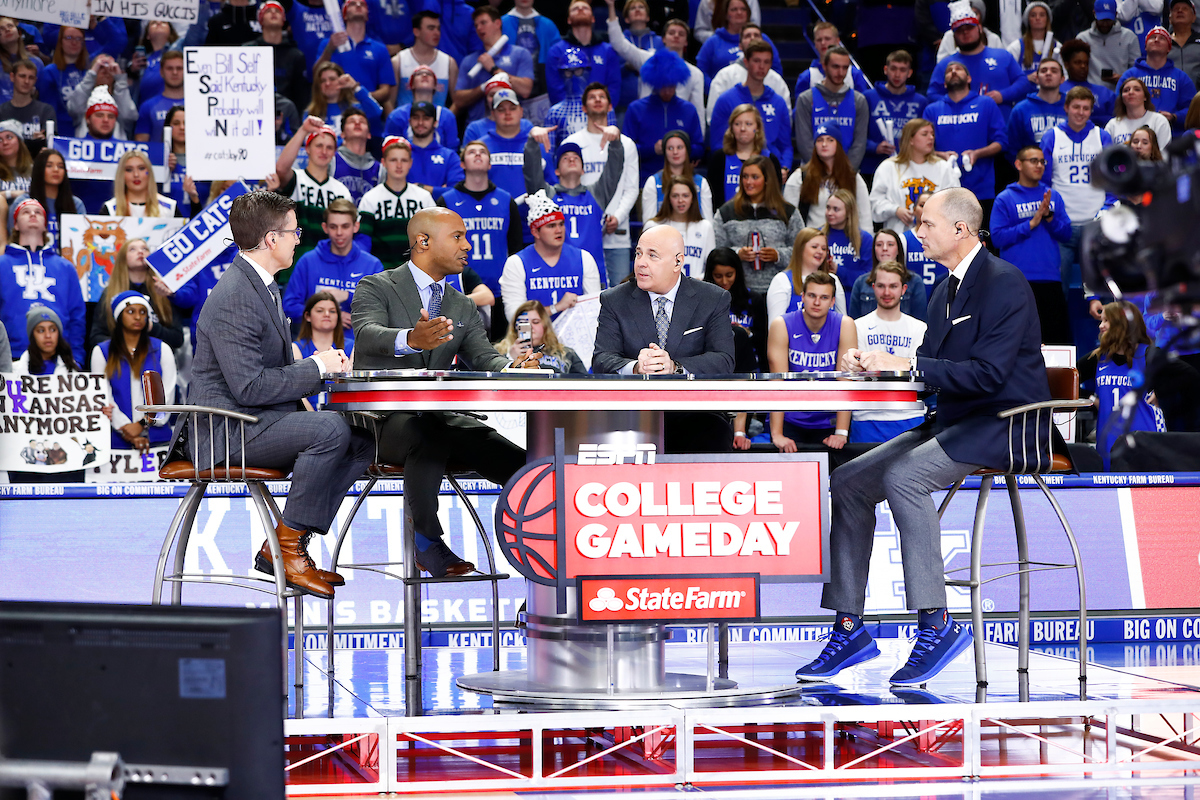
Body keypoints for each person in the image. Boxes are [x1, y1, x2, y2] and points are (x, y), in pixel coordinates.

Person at [795, 187, 1051, 687]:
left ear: (961, 229)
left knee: (905, 478)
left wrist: (907, 362)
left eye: (927, 224)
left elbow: (989, 375)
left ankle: (937, 623)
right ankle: (850, 627)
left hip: (1009, 422)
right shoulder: (943, 290)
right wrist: (873, 368)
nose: (919, 233)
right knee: (847, 481)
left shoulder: (1005, 282)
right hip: (958, 420)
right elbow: (932, 374)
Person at [179, 189, 371, 598]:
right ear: (271, 240)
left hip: (253, 419)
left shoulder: (260, 285)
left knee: (362, 435)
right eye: (293, 231)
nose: (298, 238)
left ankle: (284, 543)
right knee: (330, 430)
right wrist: (318, 366)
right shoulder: (235, 296)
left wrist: (317, 370)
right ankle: (287, 549)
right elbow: (249, 387)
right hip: (225, 431)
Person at [351, 206, 542, 577]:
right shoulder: (376, 286)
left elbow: (486, 359)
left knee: (514, 460)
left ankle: (542, 544)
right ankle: (427, 542)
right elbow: (367, 335)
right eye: (457, 236)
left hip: (439, 419)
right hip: (382, 422)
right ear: (423, 241)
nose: (467, 245)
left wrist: (512, 369)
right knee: (430, 432)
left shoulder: (462, 304)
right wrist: (410, 339)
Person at [591, 223, 736, 451]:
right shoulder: (614, 300)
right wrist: (636, 368)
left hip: (696, 415)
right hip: (633, 416)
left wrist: (675, 367)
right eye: (638, 253)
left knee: (711, 432)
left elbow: (724, 360)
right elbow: (601, 359)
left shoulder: (713, 299)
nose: (641, 262)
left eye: (652, 255)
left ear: (678, 262)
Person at [990, 144, 1076, 345]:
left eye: (1042, 161)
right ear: (1018, 164)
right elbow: (997, 238)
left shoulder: (1052, 196)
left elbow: (1066, 234)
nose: (1039, 165)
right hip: (1018, 280)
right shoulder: (1005, 198)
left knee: (1056, 341)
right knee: (1020, 340)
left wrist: (1048, 217)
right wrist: (1031, 224)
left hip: (1050, 278)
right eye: (1033, 161)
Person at [437, 139, 523, 332]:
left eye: (483, 152)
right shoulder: (446, 201)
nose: (477, 154)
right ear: (462, 164)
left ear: (489, 164)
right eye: (471, 152)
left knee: (501, 353)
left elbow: (516, 248)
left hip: (502, 291)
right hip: (463, 290)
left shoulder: (506, 200)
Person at [1040, 86, 1116, 299]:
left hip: (1096, 224)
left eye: (1086, 108)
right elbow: (1044, 182)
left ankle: (1108, 332)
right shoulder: (1051, 137)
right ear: (1066, 107)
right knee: (1058, 289)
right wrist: (1054, 214)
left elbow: (1112, 179)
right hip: (1064, 225)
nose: (1081, 112)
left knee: (1103, 288)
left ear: (1091, 110)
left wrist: (1107, 207)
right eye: (1076, 107)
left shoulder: (1102, 137)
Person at [766, 270, 855, 451]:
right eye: (812, 295)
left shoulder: (845, 325)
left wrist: (841, 432)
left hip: (827, 420)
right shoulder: (781, 325)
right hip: (790, 418)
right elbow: (777, 382)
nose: (816, 302)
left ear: (832, 302)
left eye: (823, 297)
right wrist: (777, 434)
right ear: (802, 297)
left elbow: (845, 381)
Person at [564, 82, 640, 288]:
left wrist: (618, 216)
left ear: (609, 106)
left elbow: (631, 188)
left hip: (617, 230)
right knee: (582, 292)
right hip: (581, 232)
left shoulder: (627, 144)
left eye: (602, 97)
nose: (597, 99)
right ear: (583, 107)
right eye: (592, 97)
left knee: (621, 292)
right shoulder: (572, 143)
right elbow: (567, 188)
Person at [848, 261, 929, 443]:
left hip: (909, 416)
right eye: (882, 286)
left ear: (904, 289)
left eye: (893, 286)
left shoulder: (919, 328)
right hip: (867, 417)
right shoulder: (858, 326)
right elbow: (859, 374)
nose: (887, 292)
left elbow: (917, 375)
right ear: (873, 287)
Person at [1079, 300, 1165, 467]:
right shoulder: (1098, 358)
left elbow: (1187, 378)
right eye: (1101, 321)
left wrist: (1161, 391)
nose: (1100, 326)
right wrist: (1092, 398)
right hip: (1108, 440)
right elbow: (1067, 382)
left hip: (1145, 438)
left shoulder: (1147, 353)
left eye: (1106, 321)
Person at [0, 198, 85, 363]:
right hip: (11, 357)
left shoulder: (65, 267)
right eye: (26, 212)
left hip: (59, 359)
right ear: (15, 225)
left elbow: (77, 317)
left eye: (38, 212)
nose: (33, 214)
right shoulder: (2, 264)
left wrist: (77, 359)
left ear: (45, 225)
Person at [91, 290, 176, 454]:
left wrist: (141, 424)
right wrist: (125, 428)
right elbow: (102, 396)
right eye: (131, 312)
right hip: (114, 440)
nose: (138, 317)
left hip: (158, 440)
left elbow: (166, 397)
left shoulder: (162, 349)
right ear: (119, 316)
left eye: (143, 312)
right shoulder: (101, 352)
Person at [282, 198, 384, 334]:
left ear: (356, 226)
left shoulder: (372, 265)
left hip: (357, 347)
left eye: (345, 226)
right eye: (333, 226)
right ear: (325, 227)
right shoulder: (308, 261)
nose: (339, 233)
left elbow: (380, 308)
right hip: (315, 347)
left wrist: (348, 296)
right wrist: (329, 316)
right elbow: (289, 307)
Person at [499, 190, 603, 321]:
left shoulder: (584, 258)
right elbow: (515, 317)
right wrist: (556, 307)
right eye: (551, 226)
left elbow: (594, 311)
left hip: (574, 339)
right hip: (533, 339)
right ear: (535, 232)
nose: (558, 230)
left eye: (561, 224)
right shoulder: (516, 263)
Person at [523, 138, 626, 270]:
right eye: (565, 158)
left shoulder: (596, 194)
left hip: (592, 272)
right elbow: (532, 175)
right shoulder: (547, 196)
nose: (571, 160)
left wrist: (616, 143)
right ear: (557, 171)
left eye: (576, 158)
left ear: (583, 170)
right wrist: (532, 143)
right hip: (557, 272)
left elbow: (614, 171)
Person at [923, 61, 1006, 220]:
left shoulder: (986, 103)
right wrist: (941, 155)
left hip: (981, 188)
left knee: (981, 239)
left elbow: (1001, 142)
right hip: (943, 190)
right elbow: (921, 147)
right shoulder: (932, 109)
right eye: (949, 71)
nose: (953, 72)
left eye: (958, 69)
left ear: (968, 78)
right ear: (944, 83)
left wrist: (977, 153)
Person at [604, 3, 706, 129]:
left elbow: (699, 112)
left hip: (678, 128)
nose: (676, 36)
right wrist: (611, 7)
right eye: (672, 33)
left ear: (686, 41)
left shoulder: (696, 73)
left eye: (681, 34)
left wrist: (699, 144)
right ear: (663, 39)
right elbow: (619, 44)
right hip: (648, 123)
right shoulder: (649, 60)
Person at [275, 116, 355, 277]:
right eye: (319, 145)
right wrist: (304, 130)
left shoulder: (341, 190)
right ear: (308, 149)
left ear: (334, 152)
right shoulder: (296, 178)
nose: (324, 151)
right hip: (291, 266)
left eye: (329, 147)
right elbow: (281, 169)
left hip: (328, 269)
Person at [714, 154, 804, 295]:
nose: (748, 182)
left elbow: (801, 251)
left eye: (755, 177)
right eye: (745, 176)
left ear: (767, 180)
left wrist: (778, 255)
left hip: (779, 290)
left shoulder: (788, 212)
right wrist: (737, 254)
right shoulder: (726, 212)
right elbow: (716, 252)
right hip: (737, 292)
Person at [929, 0, 1028, 121]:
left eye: (969, 27)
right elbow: (932, 93)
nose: (965, 33)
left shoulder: (1003, 56)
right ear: (953, 35)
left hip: (1001, 124)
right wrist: (955, 100)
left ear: (979, 28)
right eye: (960, 30)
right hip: (962, 125)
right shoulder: (947, 65)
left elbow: (1023, 82)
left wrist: (1003, 95)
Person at [89, 237, 184, 354]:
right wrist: (124, 344)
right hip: (120, 360)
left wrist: (151, 327)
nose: (141, 252)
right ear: (122, 259)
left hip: (156, 359)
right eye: (132, 249)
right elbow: (95, 337)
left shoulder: (163, 291)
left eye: (145, 249)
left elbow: (177, 339)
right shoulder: (110, 294)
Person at [625, 50, 705, 186]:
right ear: (654, 83)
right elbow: (626, 150)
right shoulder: (636, 109)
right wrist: (652, 149)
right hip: (644, 181)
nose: (667, 91)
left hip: (682, 183)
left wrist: (680, 149)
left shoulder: (688, 109)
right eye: (663, 86)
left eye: (671, 85)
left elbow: (699, 148)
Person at [710, 41, 793, 171]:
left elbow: (786, 145)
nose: (761, 66)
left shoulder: (778, 102)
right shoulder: (726, 100)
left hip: (769, 168)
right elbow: (717, 144)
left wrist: (784, 167)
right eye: (757, 61)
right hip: (734, 169)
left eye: (766, 62)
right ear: (746, 62)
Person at [870, 118, 961, 234]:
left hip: (935, 236)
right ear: (910, 139)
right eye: (924, 134)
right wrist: (895, 210)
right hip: (898, 237)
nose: (931, 138)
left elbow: (955, 202)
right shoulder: (889, 167)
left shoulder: (943, 168)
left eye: (932, 134)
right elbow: (875, 203)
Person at [357, 134, 436, 265]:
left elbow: (434, 238)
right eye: (393, 160)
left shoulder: (424, 198)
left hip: (417, 272)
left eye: (404, 160)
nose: (399, 165)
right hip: (381, 273)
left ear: (410, 163)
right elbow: (363, 242)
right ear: (384, 162)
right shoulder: (370, 198)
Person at [794, 46, 870, 172]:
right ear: (824, 66)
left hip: (847, 173)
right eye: (835, 67)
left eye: (845, 67)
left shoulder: (859, 101)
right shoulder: (806, 99)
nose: (840, 72)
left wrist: (845, 171)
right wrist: (822, 170)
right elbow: (804, 142)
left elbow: (860, 143)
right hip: (813, 172)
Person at [705, 22, 791, 133]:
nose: (752, 38)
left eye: (756, 35)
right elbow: (713, 117)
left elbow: (786, 121)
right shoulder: (724, 76)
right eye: (747, 36)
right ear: (740, 46)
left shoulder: (776, 80)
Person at [785, 122, 871, 229]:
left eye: (830, 140)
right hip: (812, 239)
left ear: (838, 145)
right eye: (820, 140)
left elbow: (865, 216)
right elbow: (789, 216)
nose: (824, 144)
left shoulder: (853, 178)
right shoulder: (800, 176)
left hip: (845, 241)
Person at [456, 6, 534, 123]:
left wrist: (494, 69)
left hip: (512, 125)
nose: (479, 28)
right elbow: (458, 100)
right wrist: (484, 87)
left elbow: (525, 90)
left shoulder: (520, 54)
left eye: (483, 23)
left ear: (497, 23)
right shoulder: (469, 60)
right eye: (476, 25)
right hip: (477, 128)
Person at [314, 0, 395, 110]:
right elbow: (316, 74)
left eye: (362, 4)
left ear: (367, 15)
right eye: (352, 4)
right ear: (345, 15)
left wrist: (361, 97)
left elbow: (385, 91)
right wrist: (330, 48)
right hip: (334, 109)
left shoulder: (380, 49)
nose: (358, 5)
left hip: (367, 111)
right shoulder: (328, 44)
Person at [862, 50, 929, 180]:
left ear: (909, 73)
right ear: (886, 70)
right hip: (872, 167)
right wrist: (874, 147)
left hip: (909, 169)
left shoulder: (921, 102)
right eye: (893, 69)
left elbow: (926, 136)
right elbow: (856, 134)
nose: (897, 74)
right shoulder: (868, 97)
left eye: (903, 70)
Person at [1117, 25, 1197, 127]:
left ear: (1169, 48)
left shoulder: (1181, 77)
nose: (1156, 40)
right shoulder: (1130, 75)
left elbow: (1192, 110)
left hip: (1172, 135)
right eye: (1152, 37)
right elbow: (1118, 105)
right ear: (1145, 46)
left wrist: (1175, 117)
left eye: (1162, 38)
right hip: (1135, 132)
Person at [545, 1, 621, 107]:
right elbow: (554, 88)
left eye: (585, 8)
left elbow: (614, 86)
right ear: (569, 20)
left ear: (593, 19)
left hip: (601, 113)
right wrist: (572, 112)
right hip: (568, 114)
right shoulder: (556, 51)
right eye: (575, 9)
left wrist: (602, 109)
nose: (580, 9)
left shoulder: (608, 50)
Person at [695, 0, 783, 89]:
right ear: (726, 14)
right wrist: (715, 89)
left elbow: (776, 68)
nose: (739, 12)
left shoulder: (762, 38)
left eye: (743, 9)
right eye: (734, 9)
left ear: (748, 13)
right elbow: (701, 71)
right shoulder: (713, 41)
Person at [707, 104, 781, 208]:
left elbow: (775, 198)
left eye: (748, 124)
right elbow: (714, 200)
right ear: (732, 128)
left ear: (758, 128)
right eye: (737, 124)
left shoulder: (770, 160)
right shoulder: (719, 159)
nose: (742, 128)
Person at [9, 149, 84, 251]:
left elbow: (81, 241)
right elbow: (14, 238)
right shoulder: (23, 203)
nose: (56, 169)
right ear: (39, 169)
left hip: (65, 263)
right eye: (49, 166)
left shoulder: (76, 204)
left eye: (60, 166)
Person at [847, 229, 929, 321]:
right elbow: (854, 323)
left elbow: (920, 322)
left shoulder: (914, 281)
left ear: (898, 249)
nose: (884, 248)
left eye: (890, 244)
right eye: (879, 245)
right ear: (874, 250)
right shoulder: (861, 283)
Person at [706, 246, 767, 371]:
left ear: (737, 272)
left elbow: (764, 338)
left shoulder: (754, 299)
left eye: (729, 275)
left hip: (749, 366)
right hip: (714, 367)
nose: (724, 281)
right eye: (718, 276)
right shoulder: (702, 300)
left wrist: (747, 333)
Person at [765, 226, 844, 320]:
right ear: (800, 248)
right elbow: (775, 327)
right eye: (814, 247)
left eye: (824, 249)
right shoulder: (782, 280)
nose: (820, 252)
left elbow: (843, 321)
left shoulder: (833, 279)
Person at [244, 1, 309, 114]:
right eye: (268, 11)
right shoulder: (248, 50)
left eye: (277, 11)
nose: (273, 13)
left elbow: (300, 95)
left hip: (286, 115)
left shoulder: (295, 55)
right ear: (261, 20)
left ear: (283, 20)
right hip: (253, 111)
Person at [502, 0, 562, 122]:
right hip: (508, 91)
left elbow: (558, 60)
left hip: (542, 92)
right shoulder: (502, 23)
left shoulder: (548, 25)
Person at [645, 177, 715, 279]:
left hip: (697, 288)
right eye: (675, 196)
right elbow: (646, 263)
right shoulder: (653, 226)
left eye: (685, 196)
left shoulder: (705, 226)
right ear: (668, 198)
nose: (680, 200)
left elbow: (712, 265)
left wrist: (699, 281)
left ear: (693, 198)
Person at [293, 291, 351, 410]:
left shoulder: (352, 346)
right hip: (306, 417)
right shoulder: (295, 348)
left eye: (332, 311)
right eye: (320, 311)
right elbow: (295, 390)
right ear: (307, 316)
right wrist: (311, 416)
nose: (326, 314)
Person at [496, 299, 587, 373]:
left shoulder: (566, 353)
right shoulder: (498, 352)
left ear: (545, 325)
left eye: (535, 322)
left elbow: (585, 383)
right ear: (515, 326)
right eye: (524, 323)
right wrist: (510, 358)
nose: (531, 327)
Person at [642, 130, 713, 224]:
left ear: (687, 150)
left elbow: (708, 222)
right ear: (664, 152)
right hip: (663, 236)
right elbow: (648, 223)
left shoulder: (701, 183)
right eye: (670, 148)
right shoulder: (653, 182)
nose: (675, 152)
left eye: (680, 147)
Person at [392, 11, 458, 110]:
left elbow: (457, 102)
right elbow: (389, 101)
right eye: (431, 28)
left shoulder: (449, 63)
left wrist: (444, 120)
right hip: (405, 122)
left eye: (438, 29)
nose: (437, 33)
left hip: (437, 122)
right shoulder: (398, 61)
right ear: (416, 32)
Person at [386, 65, 461, 150]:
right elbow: (389, 148)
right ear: (411, 85)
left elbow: (452, 148)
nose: (424, 75)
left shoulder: (447, 116)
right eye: (419, 74)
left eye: (429, 74)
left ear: (435, 86)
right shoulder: (397, 115)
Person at [1006, 57, 1069, 156]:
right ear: (1037, 78)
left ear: (1062, 79)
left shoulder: (1071, 108)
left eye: (1054, 71)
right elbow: (1012, 148)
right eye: (1044, 71)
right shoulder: (1021, 109)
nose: (1048, 73)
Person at [792, 21, 871, 97]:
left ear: (837, 41)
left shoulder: (854, 74)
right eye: (819, 40)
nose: (823, 43)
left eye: (827, 39)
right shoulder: (807, 77)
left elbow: (862, 106)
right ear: (815, 44)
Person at [307, 61, 385, 137]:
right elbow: (306, 139)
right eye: (323, 81)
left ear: (341, 81)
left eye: (332, 79)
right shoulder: (312, 112)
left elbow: (376, 112)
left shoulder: (355, 109)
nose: (327, 83)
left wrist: (355, 87)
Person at [66, 55, 137, 138]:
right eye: (100, 67)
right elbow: (74, 109)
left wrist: (120, 79)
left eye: (110, 68)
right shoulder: (84, 99)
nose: (106, 71)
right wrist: (91, 75)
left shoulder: (121, 98)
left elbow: (129, 115)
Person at [406, 102, 464, 201]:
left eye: (426, 118)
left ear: (435, 122)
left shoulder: (449, 156)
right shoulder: (402, 153)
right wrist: (439, 190)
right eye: (416, 118)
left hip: (440, 212)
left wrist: (421, 188)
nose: (420, 123)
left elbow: (458, 192)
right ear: (410, 121)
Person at [1080, 0, 1144, 90]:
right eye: (1102, 20)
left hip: (1121, 91)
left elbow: (1137, 70)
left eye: (1109, 20)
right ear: (1094, 13)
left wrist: (1123, 79)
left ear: (1116, 14)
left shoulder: (1129, 37)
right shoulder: (1083, 38)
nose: (1105, 24)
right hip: (1090, 93)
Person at [36, 26, 88, 135]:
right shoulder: (49, 72)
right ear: (61, 41)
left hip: (86, 130)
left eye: (78, 39)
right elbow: (49, 111)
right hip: (60, 131)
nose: (74, 42)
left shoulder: (90, 71)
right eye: (69, 38)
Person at [822, 189, 873, 294]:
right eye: (828, 208)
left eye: (836, 209)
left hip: (853, 297)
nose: (830, 213)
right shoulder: (818, 235)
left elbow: (869, 277)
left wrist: (839, 271)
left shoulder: (865, 239)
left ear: (849, 212)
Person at [163, 106, 210, 218]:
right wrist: (163, 170)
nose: (182, 127)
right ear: (168, 127)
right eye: (176, 123)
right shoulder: (158, 160)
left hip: (203, 223)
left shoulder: (207, 160)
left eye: (186, 123)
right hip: (167, 223)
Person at [102, 150, 178, 217]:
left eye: (141, 168)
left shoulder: (170, 208)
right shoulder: (110, 209)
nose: (136, 174)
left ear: (149, 172)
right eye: (129, 170)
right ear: (122, 175)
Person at [1061, 37, 1119, 124]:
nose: (1083, 66)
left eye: (1086, 63)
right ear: (1066, 65)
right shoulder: (1058, 91)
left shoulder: (1104, 93)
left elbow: (1116, 122)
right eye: (1078, 62)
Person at [1105, 75, 1172, 147]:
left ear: (1145, 97)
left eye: (1137, 89)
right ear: (1122, 98)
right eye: (1126, 90)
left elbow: (1164, 153)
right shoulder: (1112, 125)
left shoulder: (1159, 121)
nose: (1131, 92)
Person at [133, 50, 183, 145]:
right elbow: (141, 146)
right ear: (161, 72)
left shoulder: (196, 104)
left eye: (179, 68)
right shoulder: (148, 106)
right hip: (156, 159)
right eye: (169, 68)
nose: (175, 72)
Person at [0, 59, 54, 145]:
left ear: (35, 81)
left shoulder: (46, 111)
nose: (26, 81)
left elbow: (52, 145)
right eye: (22, 76)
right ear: (12, 77)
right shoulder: (1, 111)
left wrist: (42, 140)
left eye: (31, 78)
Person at [16, 304, 78, 374]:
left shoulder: (72, 369)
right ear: (32, 335)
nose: (48, 335)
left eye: (52, 330)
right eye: (41, 331)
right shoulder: (15, 370)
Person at [904, 190, 947, 289]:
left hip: (941, 299)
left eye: (931, 206)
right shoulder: (904, 240)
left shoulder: (947, 239)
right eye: (922, 205)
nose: (925, 210)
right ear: (914, 210)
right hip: (913, 301)